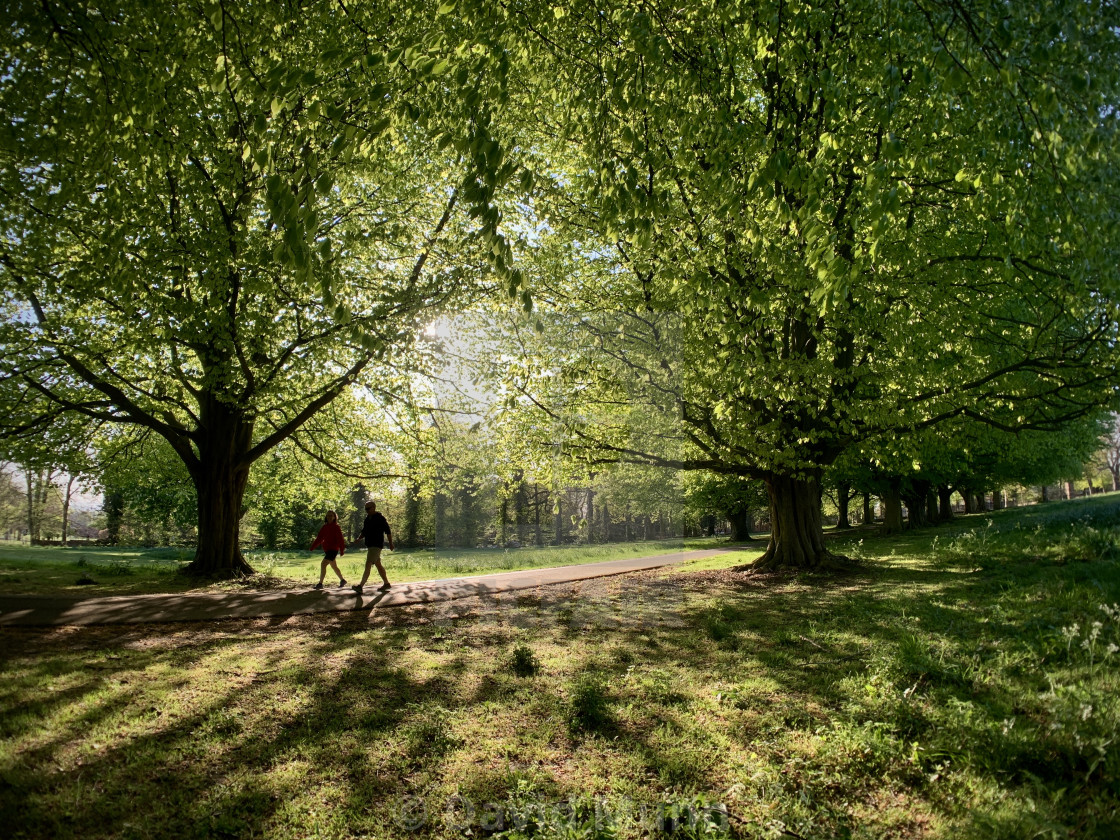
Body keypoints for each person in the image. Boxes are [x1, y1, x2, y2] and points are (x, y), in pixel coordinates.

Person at [353, 500, 393, 593]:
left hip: (377, 544)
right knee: (378, 564)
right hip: (370, 545)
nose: (366, 510)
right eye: (365, 509)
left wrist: (391, 543)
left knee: (368, 564)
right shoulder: (367, 519)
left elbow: (388, 531)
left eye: (368, 508)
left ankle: (360, 586)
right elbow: (364, 531)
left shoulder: (380, 518)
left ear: (374, 507)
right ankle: (386, 583)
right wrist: (359, 539)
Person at [310, 510, 347, 590]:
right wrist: (313, 546)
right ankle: (342, 580)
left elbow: (340, 539)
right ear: (326, 517)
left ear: (334, 517)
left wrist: (342, 550)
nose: (329, 517)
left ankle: (320, 584)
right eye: (328, 516)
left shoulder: (336, 527)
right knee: (334, 566)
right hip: (327, 549)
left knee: (323, 564)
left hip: (333, 550)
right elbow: (319, 538)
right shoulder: (324, 527)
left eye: (331, 516)